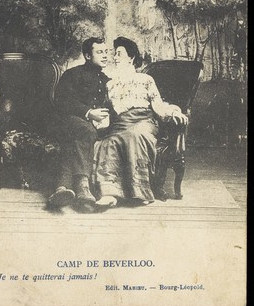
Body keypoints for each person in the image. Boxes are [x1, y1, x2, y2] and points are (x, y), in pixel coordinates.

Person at [95, 37, 188, 209]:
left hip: (144, 120)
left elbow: (158, 104)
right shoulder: (110, 84)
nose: (115, 57)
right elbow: (107, 110)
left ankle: (139, 193)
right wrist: (97, 123)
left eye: (119, 54)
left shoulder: (145, 79)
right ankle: (110, 194)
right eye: (114, 54)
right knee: (109, 142)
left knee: (134, 135)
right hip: (121, 123)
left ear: (131, 58)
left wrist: (174, 111)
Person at [46, 37, 110, 212]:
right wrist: (89, 113)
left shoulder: (106, 79)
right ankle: (83, 187)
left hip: (89, 127)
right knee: (84, 130)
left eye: (106, 52)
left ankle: (61, 189)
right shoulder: (73, 74)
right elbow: (62, 102)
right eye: (99, 52)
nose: (105, 56)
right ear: (88, 56)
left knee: (75, 140)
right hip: (66, 120)